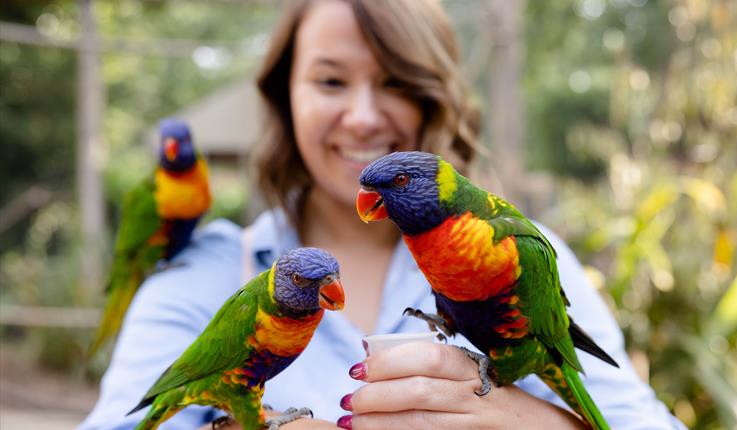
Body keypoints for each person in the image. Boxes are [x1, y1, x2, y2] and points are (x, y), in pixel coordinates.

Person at [80, 0, 686, 429]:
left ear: (433, 96)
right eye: (330, 81)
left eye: (394, 82)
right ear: (283, 96)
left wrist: (524, 422)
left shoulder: (518, 250)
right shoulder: (203, 274)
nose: (364, 117)